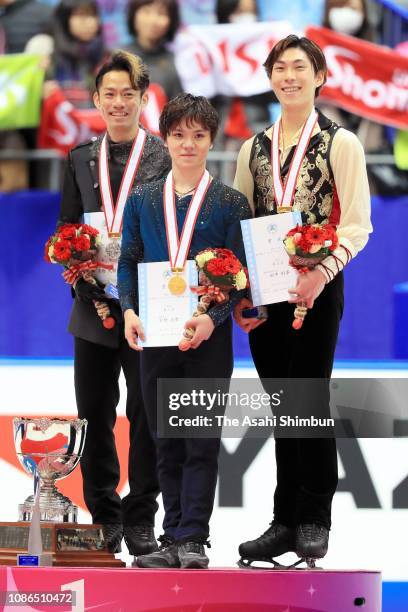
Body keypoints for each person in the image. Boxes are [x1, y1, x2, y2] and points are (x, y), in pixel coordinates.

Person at [233, 35, 372, 566]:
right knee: (280, 406)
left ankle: (314, 517)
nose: (289, 75)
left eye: (300, 67)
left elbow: (357, 227)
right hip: (268, 293)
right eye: (280, 68)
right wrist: (243, 291)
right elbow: (243, 222)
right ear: (270, 78)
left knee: (308, 401)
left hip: (318, 287)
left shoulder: (342, 143)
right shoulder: (253, 147)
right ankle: (283, 520)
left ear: (320, 76)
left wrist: (322, 274)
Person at [117, 93, 251, 569]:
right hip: (156, 336)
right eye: (178, 135)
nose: (188, 144)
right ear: (165, 138)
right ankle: (171, 539)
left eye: (198, 135)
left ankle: (193, 539)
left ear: (212, 140)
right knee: (164, 440)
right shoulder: (142, 199)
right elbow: (129, 260)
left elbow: (240, 277)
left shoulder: (231, 203)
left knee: (201, 441)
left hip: (208, 343)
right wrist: (130, 311)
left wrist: (212, 319)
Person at [58, 50, 171, 558]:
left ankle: (142, 518)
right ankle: (104, 518)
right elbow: (66, 229)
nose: (119, 102)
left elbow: (175, 232)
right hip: (93, 307)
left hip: (147, 309)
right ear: (97, 100)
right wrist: (80, 279)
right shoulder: (80, 158)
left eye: (129, 93)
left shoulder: (165, 156)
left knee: (146, 414)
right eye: (110, 94)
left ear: (144, 99)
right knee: (94, 414)